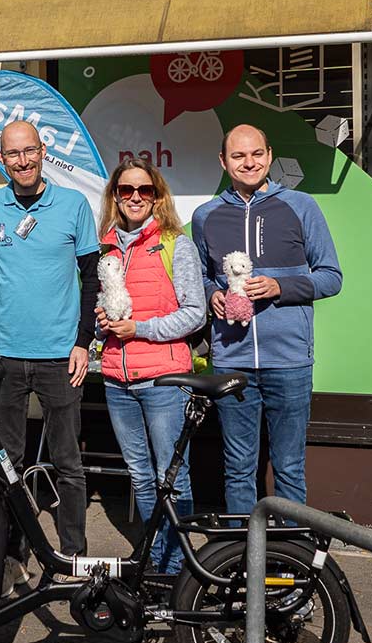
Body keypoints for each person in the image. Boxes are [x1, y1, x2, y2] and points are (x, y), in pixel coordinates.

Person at [0, 120, 100, 585]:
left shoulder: (73, 205)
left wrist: (84, 341)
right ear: (4, 160)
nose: (21, 161)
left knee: (68, 462)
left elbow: (92, 280)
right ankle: (12, 553)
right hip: (4, 357)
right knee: (7, 464)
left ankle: (73, 558)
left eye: (29, 152)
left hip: (62, 355)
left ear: (43, 152)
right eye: (12, 154)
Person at [190, 124, 342, 515]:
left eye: (256, 153)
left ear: (269, 156)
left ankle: (292, 557)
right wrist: (213, 296)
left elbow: (331, 276)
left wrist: (280, 287)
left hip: (289, 359)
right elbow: (202, 277)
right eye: (238, 156)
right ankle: (242, 557)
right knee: (238, 468)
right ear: (224, 161)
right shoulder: (205, 215)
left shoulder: (301, 205)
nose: (249, 163)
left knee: (289, 468)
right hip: (232, 359)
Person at [95, 156, 207, 574]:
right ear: (116, 197)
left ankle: (179, 567)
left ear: (157, 196)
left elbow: (195, 313)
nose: (136, 197)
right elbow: (96, 310)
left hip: (164, 378)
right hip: (116, 380)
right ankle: (155, 559)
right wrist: (101, 320)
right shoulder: (105, 246)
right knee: (141, 477)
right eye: (127, 190)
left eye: (145, 190)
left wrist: (138, 328)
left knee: (172, 477)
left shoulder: (176, 243)